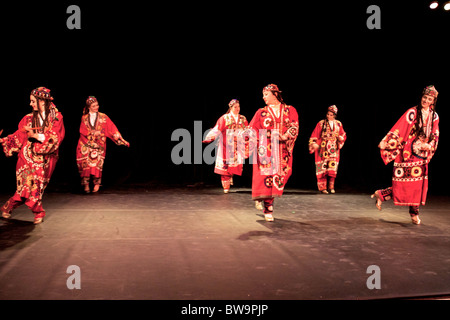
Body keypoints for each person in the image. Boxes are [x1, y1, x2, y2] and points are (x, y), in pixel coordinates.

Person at [371, 85, 440, 225]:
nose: (425, 101)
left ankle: (412, 213)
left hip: (422, 154)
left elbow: (435, 135)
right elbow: (400, 128)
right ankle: (384, 196)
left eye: (429, 99)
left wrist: (430, 145)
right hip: (407, 153)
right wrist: (387, 142)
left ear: (433, 101)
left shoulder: (435, 116)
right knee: (404, 185)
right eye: (424, 97)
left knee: (417, 186)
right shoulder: (412, 113)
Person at [0, 87, 65, 224]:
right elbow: (18, 135)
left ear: (42, 101)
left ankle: (8, 206)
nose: (31, 104)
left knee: (33, 187)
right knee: (29, 185)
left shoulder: (56, 118)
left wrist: (36, 135)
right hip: (26, 156)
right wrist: (4, 140)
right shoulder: (28, 119)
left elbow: (56, 137)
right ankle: (38, 212)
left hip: (46, 157)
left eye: (33, 101)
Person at [247, 84, 299, 221]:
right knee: (267, 179)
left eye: (266, 94)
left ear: (275, 94)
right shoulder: (261, 112)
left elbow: (294, 125)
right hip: (266, 149)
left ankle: (262, 197)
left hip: (282, 150)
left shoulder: (289, 110)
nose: (263, 97)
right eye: (263, 95)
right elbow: (252, 129)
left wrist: (285, 136)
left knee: (281, 177)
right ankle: (268, 208)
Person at [76, 96, 130, 193]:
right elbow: (82, 130)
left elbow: (111, 127)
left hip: (99, 143)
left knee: (97, 163)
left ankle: (97, 183)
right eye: (94, 106)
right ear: (89, 107)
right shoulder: (84, 118)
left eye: (97, 105)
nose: (97, 107)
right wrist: (92, 133)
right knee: (86, 164)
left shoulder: (103, 117)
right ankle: (86, 184)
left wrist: (116, 134)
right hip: (86, 143)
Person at [203, 99, 248, 193]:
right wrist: (210, 137)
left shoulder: (243, 119)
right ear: (231, 107)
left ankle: (230, 178)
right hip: (226, 145)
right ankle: (226, 187)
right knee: (225, 166)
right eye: (235, 107)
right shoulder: (225, 118)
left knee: (234, 165)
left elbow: (247, 131)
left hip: (237, 145)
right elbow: (217, 128)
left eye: (238, 107)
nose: (237, 109)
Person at [308, 105, 346, 193]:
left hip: (334, 149)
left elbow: (343, 134)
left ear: (335, 115)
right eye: (328, 114)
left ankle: (331, 187)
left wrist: (341, 138)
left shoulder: (339, 124)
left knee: (332, 168)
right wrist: (314, 144)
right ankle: (322, 188)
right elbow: (315, 134)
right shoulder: (321, 123)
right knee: (322, 168)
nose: (329, 116)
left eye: (331, 115)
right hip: (323, 148)